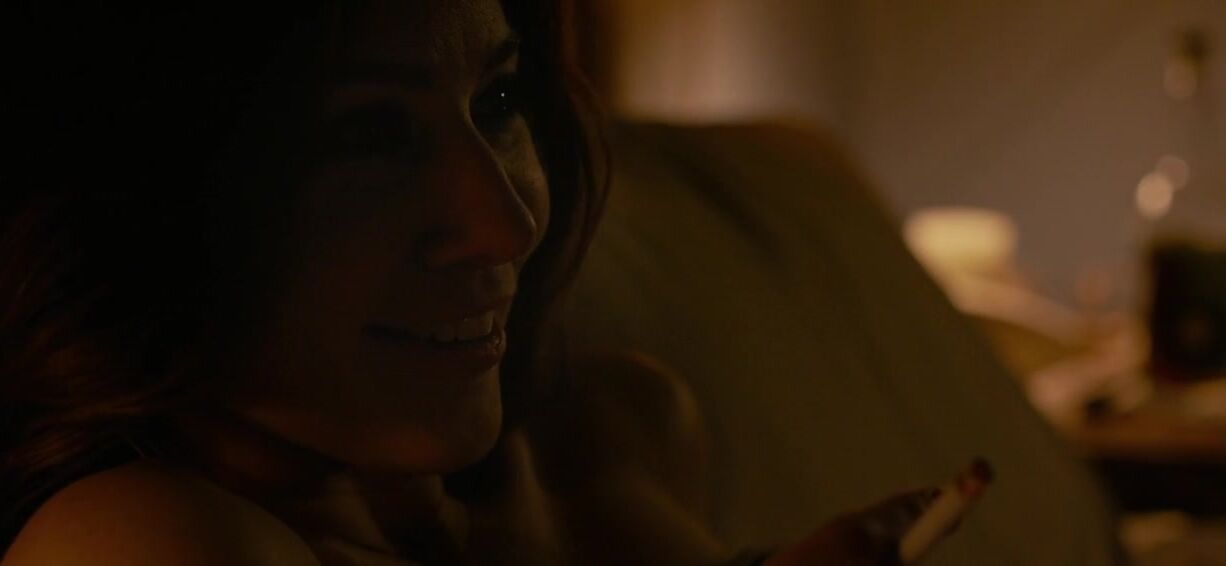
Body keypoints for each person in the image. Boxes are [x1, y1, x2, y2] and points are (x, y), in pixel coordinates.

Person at [1, 2, 947, 564]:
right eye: (369, 136)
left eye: (495, 102)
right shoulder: (134, 540)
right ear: (155, 200)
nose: (506, 224)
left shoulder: (622, 431)